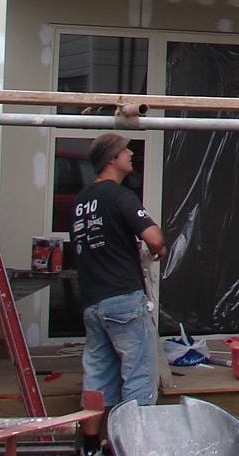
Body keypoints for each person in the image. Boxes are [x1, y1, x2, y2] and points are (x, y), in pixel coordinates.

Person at [70, 132, 165, 456]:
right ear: (112, 159)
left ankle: (91, 448)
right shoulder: (119, 196)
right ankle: (134, 447)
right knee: (138, 375)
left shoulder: (82, 201)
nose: (131, 155)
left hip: (93, 304)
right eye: (126, 151)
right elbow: (153, 238)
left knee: (98, 378)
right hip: (124, 300)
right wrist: (159, 248)